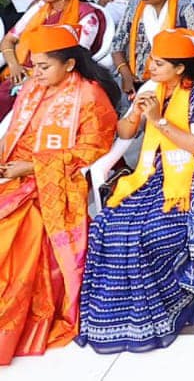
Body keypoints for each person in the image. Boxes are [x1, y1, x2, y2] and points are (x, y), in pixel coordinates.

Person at [78, 29, 194, 353]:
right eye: (152, 60)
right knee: (107, 224)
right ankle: (117, 315)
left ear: (180, 68)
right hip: (152, 175)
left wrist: (159, 119)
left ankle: (156, 309)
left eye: (159, 63)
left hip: (187, 179)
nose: (150, 66)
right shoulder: (153, 88)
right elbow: (126, 133)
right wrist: (136, 112)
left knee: (148, 234)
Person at [0, 25, 119, 366]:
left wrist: (31, 167)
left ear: (69, 64)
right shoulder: (32, 88)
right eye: (33, 66)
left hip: (49, 182)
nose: (35, 74)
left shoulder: (89, 96)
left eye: (43, 67)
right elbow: (13, 133)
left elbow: (93, 150)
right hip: (14, 173)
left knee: (14, 235)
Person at [0, 0, 108, 116]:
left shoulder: (87, 17)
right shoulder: (40, 8)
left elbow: (76, 59)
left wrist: (35, 77)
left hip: (56, 79)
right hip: (22, 72)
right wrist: (14, 65)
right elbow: (8, 40)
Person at [110, 0, 194, 104]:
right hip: (134, 78)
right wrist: (126, 75)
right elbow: (117, 45)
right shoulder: (134, 6)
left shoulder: (184, 7)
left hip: (172, 81)